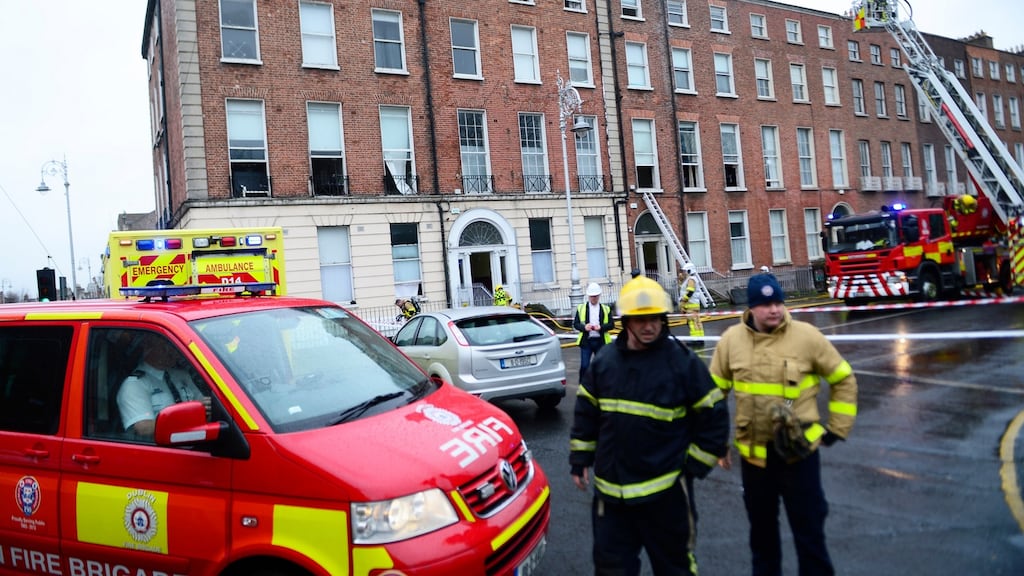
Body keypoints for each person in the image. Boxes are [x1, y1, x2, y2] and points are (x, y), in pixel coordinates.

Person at [570, 276, 730, 576]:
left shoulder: (682, 363)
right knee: (611, 569)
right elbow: (585, 414)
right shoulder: (604, 363)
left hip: (665, 497)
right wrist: (580, 460)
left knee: (675, 568)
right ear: (627, 320)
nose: (649, 326)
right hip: (612, 500)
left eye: (655, 318)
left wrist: (693, 467)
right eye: (641, 319)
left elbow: (714, 416)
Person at [710, 274, 858, 576]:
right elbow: (712, 396)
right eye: (765, 305)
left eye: (778, 302)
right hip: (755, 460)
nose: (774, 310)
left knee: (810, 536)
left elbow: (843, 379)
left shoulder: (807, 337)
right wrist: (716, 441)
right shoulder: (730, 342)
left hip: (799, 456)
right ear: (751, 308)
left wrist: (837, 428)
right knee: (762, 540)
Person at [117, 334, 210, 438]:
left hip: (197, 442)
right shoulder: (134, 385)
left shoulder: (182, 375)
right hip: (162, 451)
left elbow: (205, 408)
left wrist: (207, 408)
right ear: (148, 347)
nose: (172, 351)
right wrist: (187, 415)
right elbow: (143, 428)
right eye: (165, 346)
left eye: (173, 346)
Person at [572, 282, 613, 383]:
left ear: (599, 296)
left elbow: (611, 325)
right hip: (587, 342)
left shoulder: (605, 309)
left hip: (601, 341)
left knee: (602, 365)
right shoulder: (581, 308)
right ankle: (582, 386)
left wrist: (601, 328)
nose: (593, 298)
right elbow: (576, 324)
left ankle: (602, 386)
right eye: (592, 296)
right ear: (588, 296)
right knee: (585, 365)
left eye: (595, 296)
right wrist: (584, 327)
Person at [678, 263, 705, 345]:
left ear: (689, 271)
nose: (683, 272)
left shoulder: (691, 279)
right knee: (696, 322)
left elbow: (690, 292)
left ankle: (695, 340)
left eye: (685, 271)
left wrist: (683, 300)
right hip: (692, 305)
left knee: (692, 323)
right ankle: (700, 339)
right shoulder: (689, 279)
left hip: (691, 305)